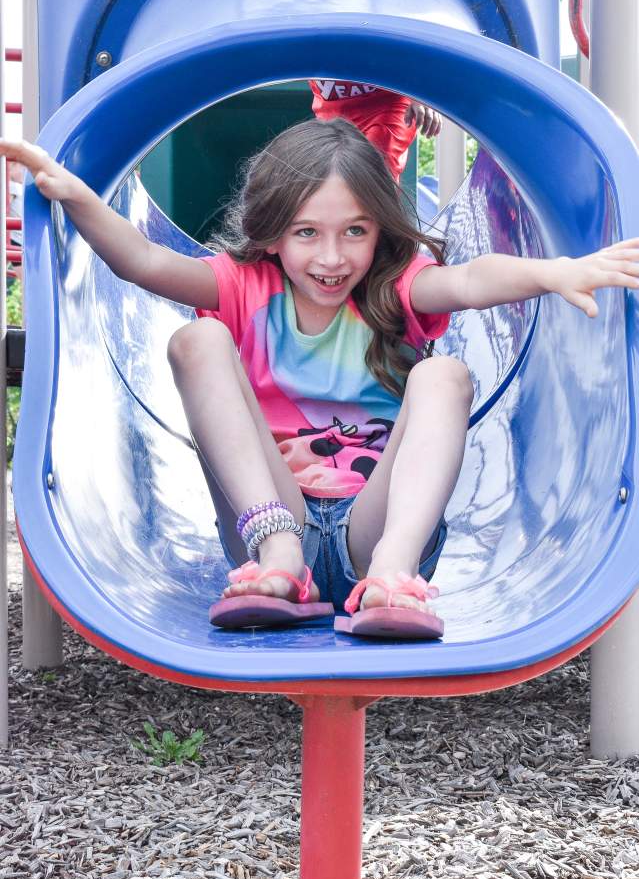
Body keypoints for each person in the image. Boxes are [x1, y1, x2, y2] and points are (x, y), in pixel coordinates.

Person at [2, 121, 638, 640]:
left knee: (444, 373)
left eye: (354, 232)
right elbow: (142, 261)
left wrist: (556, 271)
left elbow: (471, 281)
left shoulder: (396, 289)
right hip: (274, 519)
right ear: (273, 233)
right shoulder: (239, 286)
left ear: (380, 231)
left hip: (378, 529)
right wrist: (79, 197)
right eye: (307, 233)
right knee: (198, 339)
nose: (332, 259)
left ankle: (394, 578)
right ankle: (279, 560)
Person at [309, 80, 442, 180]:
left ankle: (379, 215)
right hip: (332, 103)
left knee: (376, 165)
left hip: (387, 101)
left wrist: (421, 90)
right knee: (329, 171)